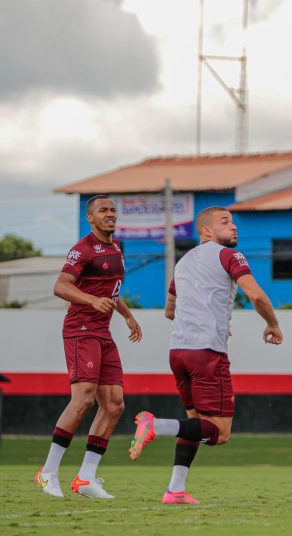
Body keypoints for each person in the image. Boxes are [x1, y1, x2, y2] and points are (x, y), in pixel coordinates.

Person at [127, 206, 283, 505]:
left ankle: (175, 489)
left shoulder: (184, 262)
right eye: (225, 222)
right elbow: (256, 295)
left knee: (195, 425)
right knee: (219, 433)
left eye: (234, 222)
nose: (234, 227)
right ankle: (155, 425)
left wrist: (208, 320)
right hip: (206, 354)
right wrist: (273, 324)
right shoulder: (229, 256)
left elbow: (170, 308)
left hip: (178, 353)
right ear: (206, 231)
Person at [35, 195, 143, 499]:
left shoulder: (116, 248)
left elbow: (110, 290)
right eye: (103, 211)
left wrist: (127, 315)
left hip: (103, 332)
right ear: (91, 218)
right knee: (82, 400)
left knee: (114, 405)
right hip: (81, 330)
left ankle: (85, 478)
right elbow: (61, 286)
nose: (110, 214)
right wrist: (93, 301)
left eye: (113, 210)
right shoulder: (82, 249)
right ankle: (47, 472)